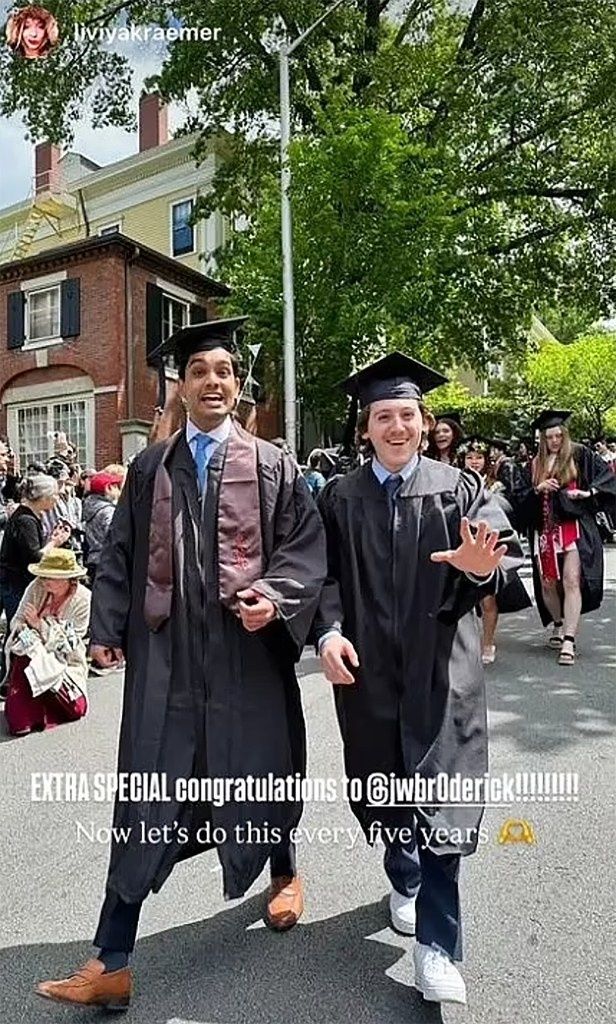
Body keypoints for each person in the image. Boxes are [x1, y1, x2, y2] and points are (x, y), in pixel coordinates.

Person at [36, 317, 327, 1010]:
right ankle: (112, 958)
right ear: (182, 385)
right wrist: (107, 627)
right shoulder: (150, 467)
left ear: (238, 384)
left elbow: (304, 547)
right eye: (199, 372)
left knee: (263, 766)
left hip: (246, 655)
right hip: (166, 659)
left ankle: (284, 871)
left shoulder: (272, 464)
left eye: (224, 371)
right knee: (147, 791)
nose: (212, 382)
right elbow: (119, 553)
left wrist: (275, 597)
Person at [315, 353, 522, 1007]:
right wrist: (327, 632)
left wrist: (479, 566)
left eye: (407, 414)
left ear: (424, 422)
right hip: (369, 672)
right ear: (366, 427)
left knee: (445, 799)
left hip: (442, 671)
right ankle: (401, 876)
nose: (397, 426)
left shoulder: (459, 488)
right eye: (384, 416)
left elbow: (497, 557)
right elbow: (321, 576)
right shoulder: (340, 497)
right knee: (385, 786)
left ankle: (437, 947)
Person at [515, 411, 616, 665]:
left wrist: (587, 492)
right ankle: (558, 624)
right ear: (543, 439)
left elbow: (607, 477)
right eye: (550, 437)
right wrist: (538, 489)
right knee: (548, 583)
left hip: (573, 526)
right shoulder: (534, 465)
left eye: (559, 435)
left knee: (571, 580)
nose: (555, 441)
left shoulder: (579, 455)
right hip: (545, 529)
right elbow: (520, 497)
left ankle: (569, 640)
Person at [3, 549, 90, 736]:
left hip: (67, 663)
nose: (44, 581)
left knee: (77, 708)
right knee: (19, 723)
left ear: (67, 579)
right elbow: (17, 620)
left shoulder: (83, 600)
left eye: (49, 577)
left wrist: (39, 625)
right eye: (42, 576)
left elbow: (72, 642)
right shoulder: (36, 587)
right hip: (31, 657)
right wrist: (27, 633)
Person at [460, 437, 531, 664]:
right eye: (469, 457)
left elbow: (507, 510)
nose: (474, 461)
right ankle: (466, 646)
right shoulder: (456, 482)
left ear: (486, 460)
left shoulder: (495, 485)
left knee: (487, 599)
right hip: (462, 545)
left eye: (479, 457)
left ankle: (488, 642)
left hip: (488, 544)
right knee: (462, 600)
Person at [82, 470, 125, 587]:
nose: (119, 490)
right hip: (108, 561)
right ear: (108, 488)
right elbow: (114, 536)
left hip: (93, 560)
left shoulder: (89, 507)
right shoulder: (108, 511)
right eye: (116, 486)